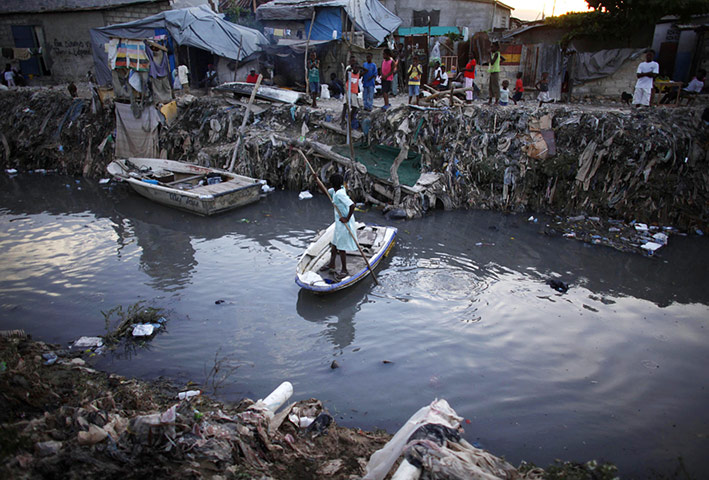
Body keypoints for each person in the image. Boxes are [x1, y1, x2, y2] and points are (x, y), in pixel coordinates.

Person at [317, 173, 357, 280]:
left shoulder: (340, 194)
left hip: (344, 223)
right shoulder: (334, 191)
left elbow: (352, 205)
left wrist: (346, 218)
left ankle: (344, 270)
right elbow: (325, 191)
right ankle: (332, 264)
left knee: (341, 247)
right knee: (334, 245)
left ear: (332, 183)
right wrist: (316, 179)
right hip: (339, 223)